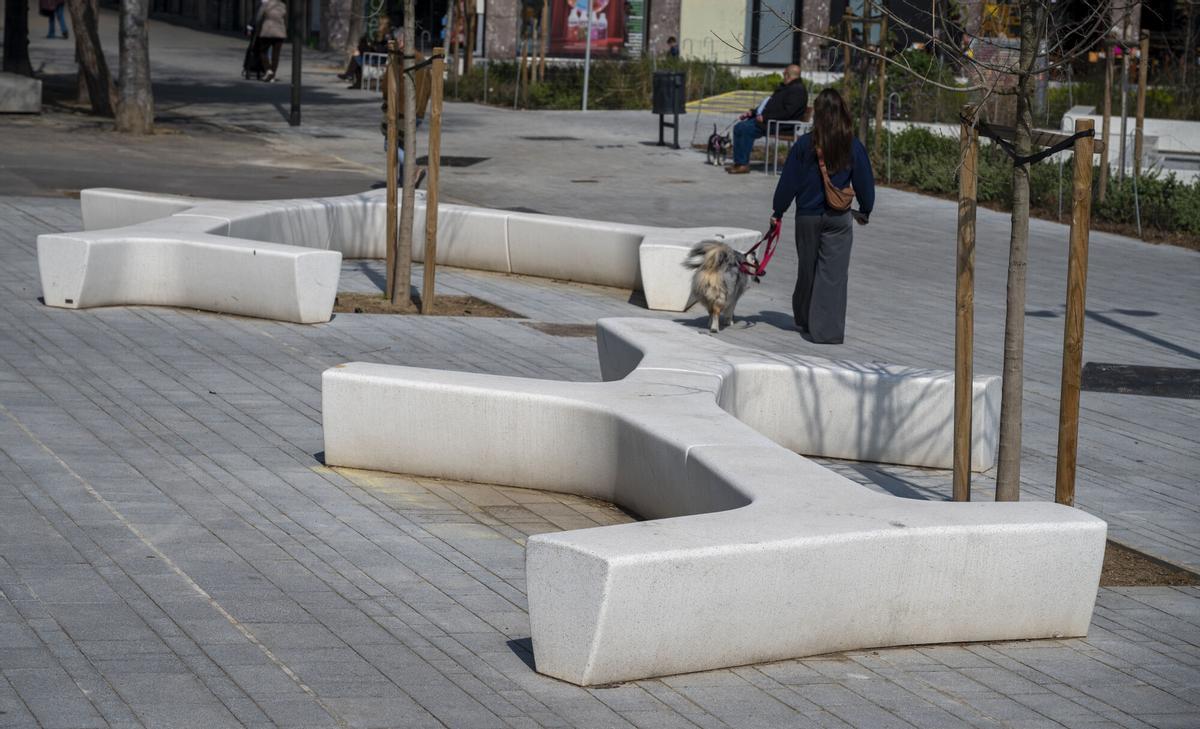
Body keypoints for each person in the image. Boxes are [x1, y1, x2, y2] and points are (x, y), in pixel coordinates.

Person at [770, 88, 874, 344]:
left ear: (817, 113)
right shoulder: (853, 145)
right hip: (838, 218)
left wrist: (778, 211)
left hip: (807, 217)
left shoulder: (805, 145)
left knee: (808, 269)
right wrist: (866, 208)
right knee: (832, 275)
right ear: (842, 113)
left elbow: (788, 182)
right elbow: (865, 182)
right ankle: (826, 330)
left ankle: (805, 318)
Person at [726, 64, 808, 174]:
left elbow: (787, 112)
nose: (783, 75)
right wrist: (753, 112)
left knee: (745, 129)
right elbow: (768, 104)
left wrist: (765, 117)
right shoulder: (786, 88)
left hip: (780, 125)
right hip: (769, 121)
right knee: (739, 127)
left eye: (784, 73)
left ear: (788, 75)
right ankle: (739, 163)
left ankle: (742, 164)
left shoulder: (797, 90)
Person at [255, 0, 288, 82]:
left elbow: (259, 16)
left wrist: (257, 25)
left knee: (263, 51)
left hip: (267, 31)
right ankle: (272, 75)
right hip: (280, 32)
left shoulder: (266, 4)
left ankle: (268, 70)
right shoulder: (282, 5)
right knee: (275, 55)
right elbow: (285, 17)